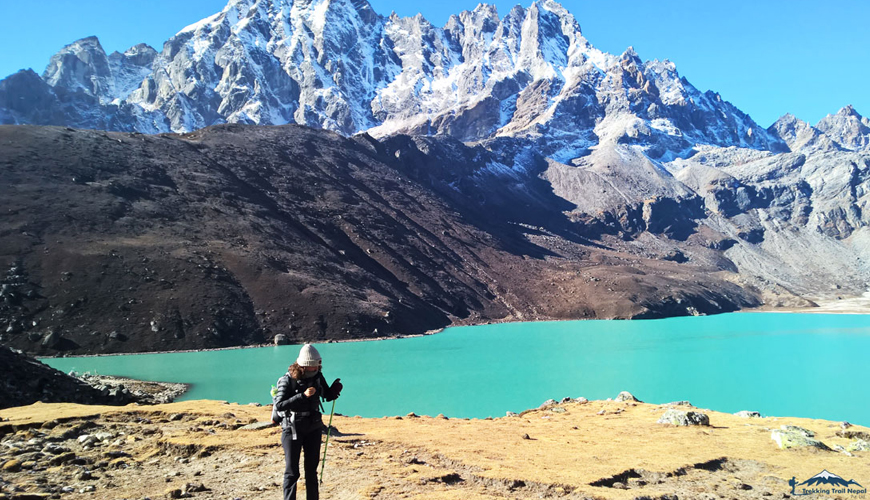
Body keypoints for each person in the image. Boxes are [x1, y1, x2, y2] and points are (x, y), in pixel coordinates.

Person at [273, 344, 342, 500]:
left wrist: (334, 390)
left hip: (314, 427)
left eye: (317, 367)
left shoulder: (317, 377)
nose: (316, 370)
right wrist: (302, 396)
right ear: (303, 367)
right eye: (313, 368)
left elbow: (327, 395)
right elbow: (279, 404)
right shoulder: (287, 380)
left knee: (312, 471)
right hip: (292, 429)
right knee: (292, 472)